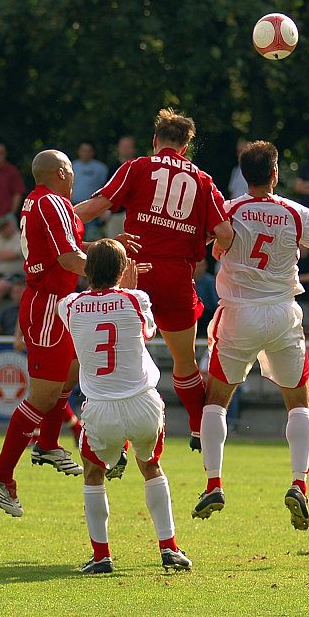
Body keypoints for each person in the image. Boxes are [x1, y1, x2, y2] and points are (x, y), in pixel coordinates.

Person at [193, 140, 309, 529]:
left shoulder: (229, 210)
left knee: (215, 402)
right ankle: (299, 483)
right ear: (275, 173)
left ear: (244, 176)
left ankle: (213, 482)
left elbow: (200, 246)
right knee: (298, 403)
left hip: (238, 315)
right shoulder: (297, 212)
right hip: (282, 314)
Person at [76, 108, 233, 451]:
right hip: (176, 275)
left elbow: (97, 205)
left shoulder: (137, 167)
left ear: (155, 141)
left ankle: (118, 440)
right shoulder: (202, 180)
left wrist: (60, 220)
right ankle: (197, 429)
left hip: (133, 273)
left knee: (125, 357)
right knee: (185, 361)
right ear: (186, 147)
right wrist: (201, 244)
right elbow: (225, 232)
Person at [59, 239, 191, 574]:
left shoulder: (70, 305)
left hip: (100, 408)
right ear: (122, 270)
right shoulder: (137, 298)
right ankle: (169, 548)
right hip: (142, 403)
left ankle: (102, 555)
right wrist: (127, 290)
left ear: (88, 271)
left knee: (93, 473)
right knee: (150, 466)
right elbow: (146, 331)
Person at [0, 150, 89, 518]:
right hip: (49, 304)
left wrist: (107, 249)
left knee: (72, 372)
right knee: (41, 396)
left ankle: (47, 442)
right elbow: (70, 261)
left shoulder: (41, 203)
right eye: (71, 171)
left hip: (58, 301)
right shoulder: (52, 202)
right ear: (61, 173)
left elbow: (72, 251)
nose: (74, 178)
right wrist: (114, 268)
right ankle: (2, 473)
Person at [72, 141, 109, 241]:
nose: (86, 153)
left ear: (93, 152)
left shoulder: (101, 168)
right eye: (83, 151)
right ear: (78, 151)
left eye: (88, 151)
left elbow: (105, 189)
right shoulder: (71, 166)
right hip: (74, 208)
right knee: (75, 237)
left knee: (92, 239)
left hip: (93, 208)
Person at [103, 136, 138, 239]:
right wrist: (105, 210)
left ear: (134, 149)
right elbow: (107, 190)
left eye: (128, 146)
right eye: (123, 146)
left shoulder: (140, 168)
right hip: (116, 214)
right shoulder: (113, 168)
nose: (125, 149)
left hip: (134, 214)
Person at [194, 259, 219, 337]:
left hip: (206, 317)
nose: (197, 268)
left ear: (205, 267)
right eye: (196, 265)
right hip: (189, 315)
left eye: (200, 266)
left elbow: (216, 304)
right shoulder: (184, 281)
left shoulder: (210, 282)